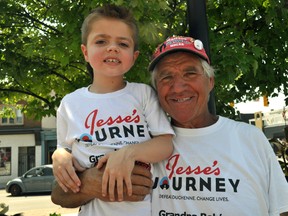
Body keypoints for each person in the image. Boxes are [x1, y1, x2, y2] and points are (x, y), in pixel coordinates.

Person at [52, 35, 288, 215]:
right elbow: (59, 195)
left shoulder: (250, 139)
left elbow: (282, 207)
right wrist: (86, 181)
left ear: (210, 81)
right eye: (166, 77)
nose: (178, 87)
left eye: (190, 74)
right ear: (156, 90)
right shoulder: (143, 142)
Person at [52, 4, 174, 216]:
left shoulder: (143, 94)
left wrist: (128, 153)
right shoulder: (70, 104)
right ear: (85, 52)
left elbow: (165, 144)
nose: (112, 48)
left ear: (134, 57)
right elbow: (65, 148)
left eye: (123, 43)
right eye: (101, 41)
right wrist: (59, 154)